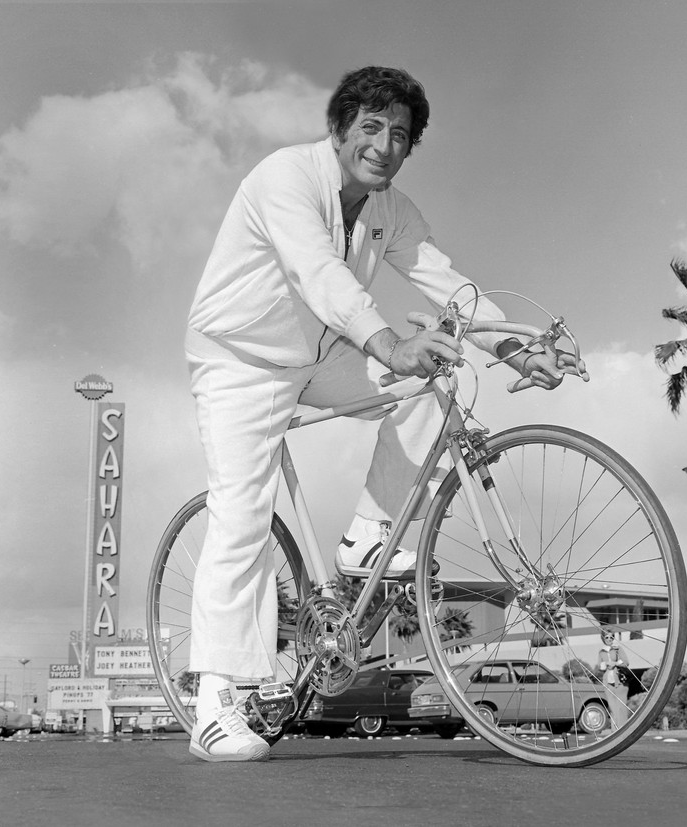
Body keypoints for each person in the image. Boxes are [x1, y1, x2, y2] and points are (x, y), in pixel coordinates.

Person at [184, 65, 586, 762]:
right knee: (242, 512)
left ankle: (368, 536)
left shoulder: (390, 210)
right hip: (239, 360)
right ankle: (214, 699)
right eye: (370, 127)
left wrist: (515, 351)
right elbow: (319, 273)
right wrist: (387, 342)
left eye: (399, 134)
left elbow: (448, 282)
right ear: (338, 128)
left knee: (443, 375)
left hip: (321, 355)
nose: (383, 144)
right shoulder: (285, 178)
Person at [597, 629, 629, 728]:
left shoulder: (617, 648)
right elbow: (600, 666)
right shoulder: (601, 652)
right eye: (607, 637)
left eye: (611, 637)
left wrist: (614, 663)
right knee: (612, 708)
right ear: (603, 638)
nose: (609, 639)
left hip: (620, 682)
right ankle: (615, 731)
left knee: (621, 707)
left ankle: (623, 729)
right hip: (608, 682)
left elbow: (626, 662)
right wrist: (606, 664)